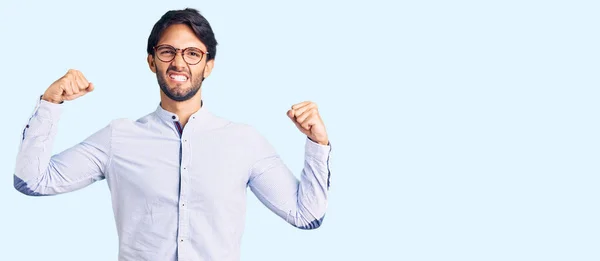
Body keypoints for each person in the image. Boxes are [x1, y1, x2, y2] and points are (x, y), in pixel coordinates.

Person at [14, 8, 332, 261]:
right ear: (152, 61)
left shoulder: (244, 141)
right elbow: (32, 181)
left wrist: (317, 143)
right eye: (168, 51)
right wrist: (50, 103)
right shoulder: (118, 137)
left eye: (193, 53)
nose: (179, 61)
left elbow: (306, 215)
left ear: (208, 65)